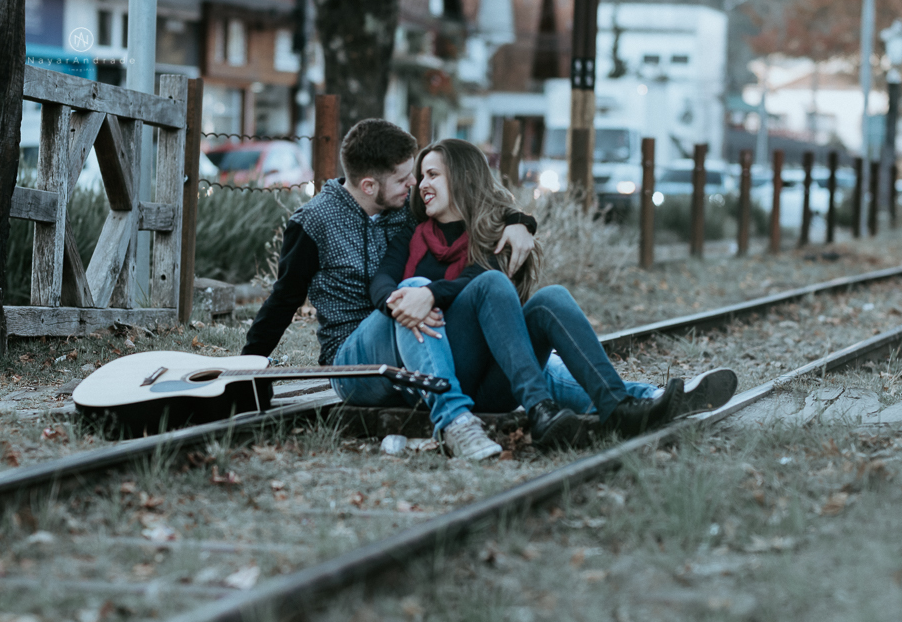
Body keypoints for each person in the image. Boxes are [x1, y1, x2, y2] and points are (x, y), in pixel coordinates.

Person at [369, 138, 738, 452]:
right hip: (444, 369)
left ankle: (623, 405)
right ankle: (560, 406)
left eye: (433, 174)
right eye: (421, 177)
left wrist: (434, 292)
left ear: (462, 178)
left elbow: (479, 278)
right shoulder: (410, 234)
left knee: (552, 299)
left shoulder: (494, 235)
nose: (422, 184)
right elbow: (382, 280)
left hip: (496, 376)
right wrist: (403, 298)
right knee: (552, 373)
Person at [240, 120, 538, 460]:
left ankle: (601, 401)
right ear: (369, 185)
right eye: (403, 178)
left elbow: (468, 205)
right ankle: (456, 423)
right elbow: (283, 300)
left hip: (419, 353)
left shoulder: (403, 210)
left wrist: (520, 222)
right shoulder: (314, 223)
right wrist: (248, 371)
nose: (414, 184)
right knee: (414, 289)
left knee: (546, 368)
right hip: (354, 364)